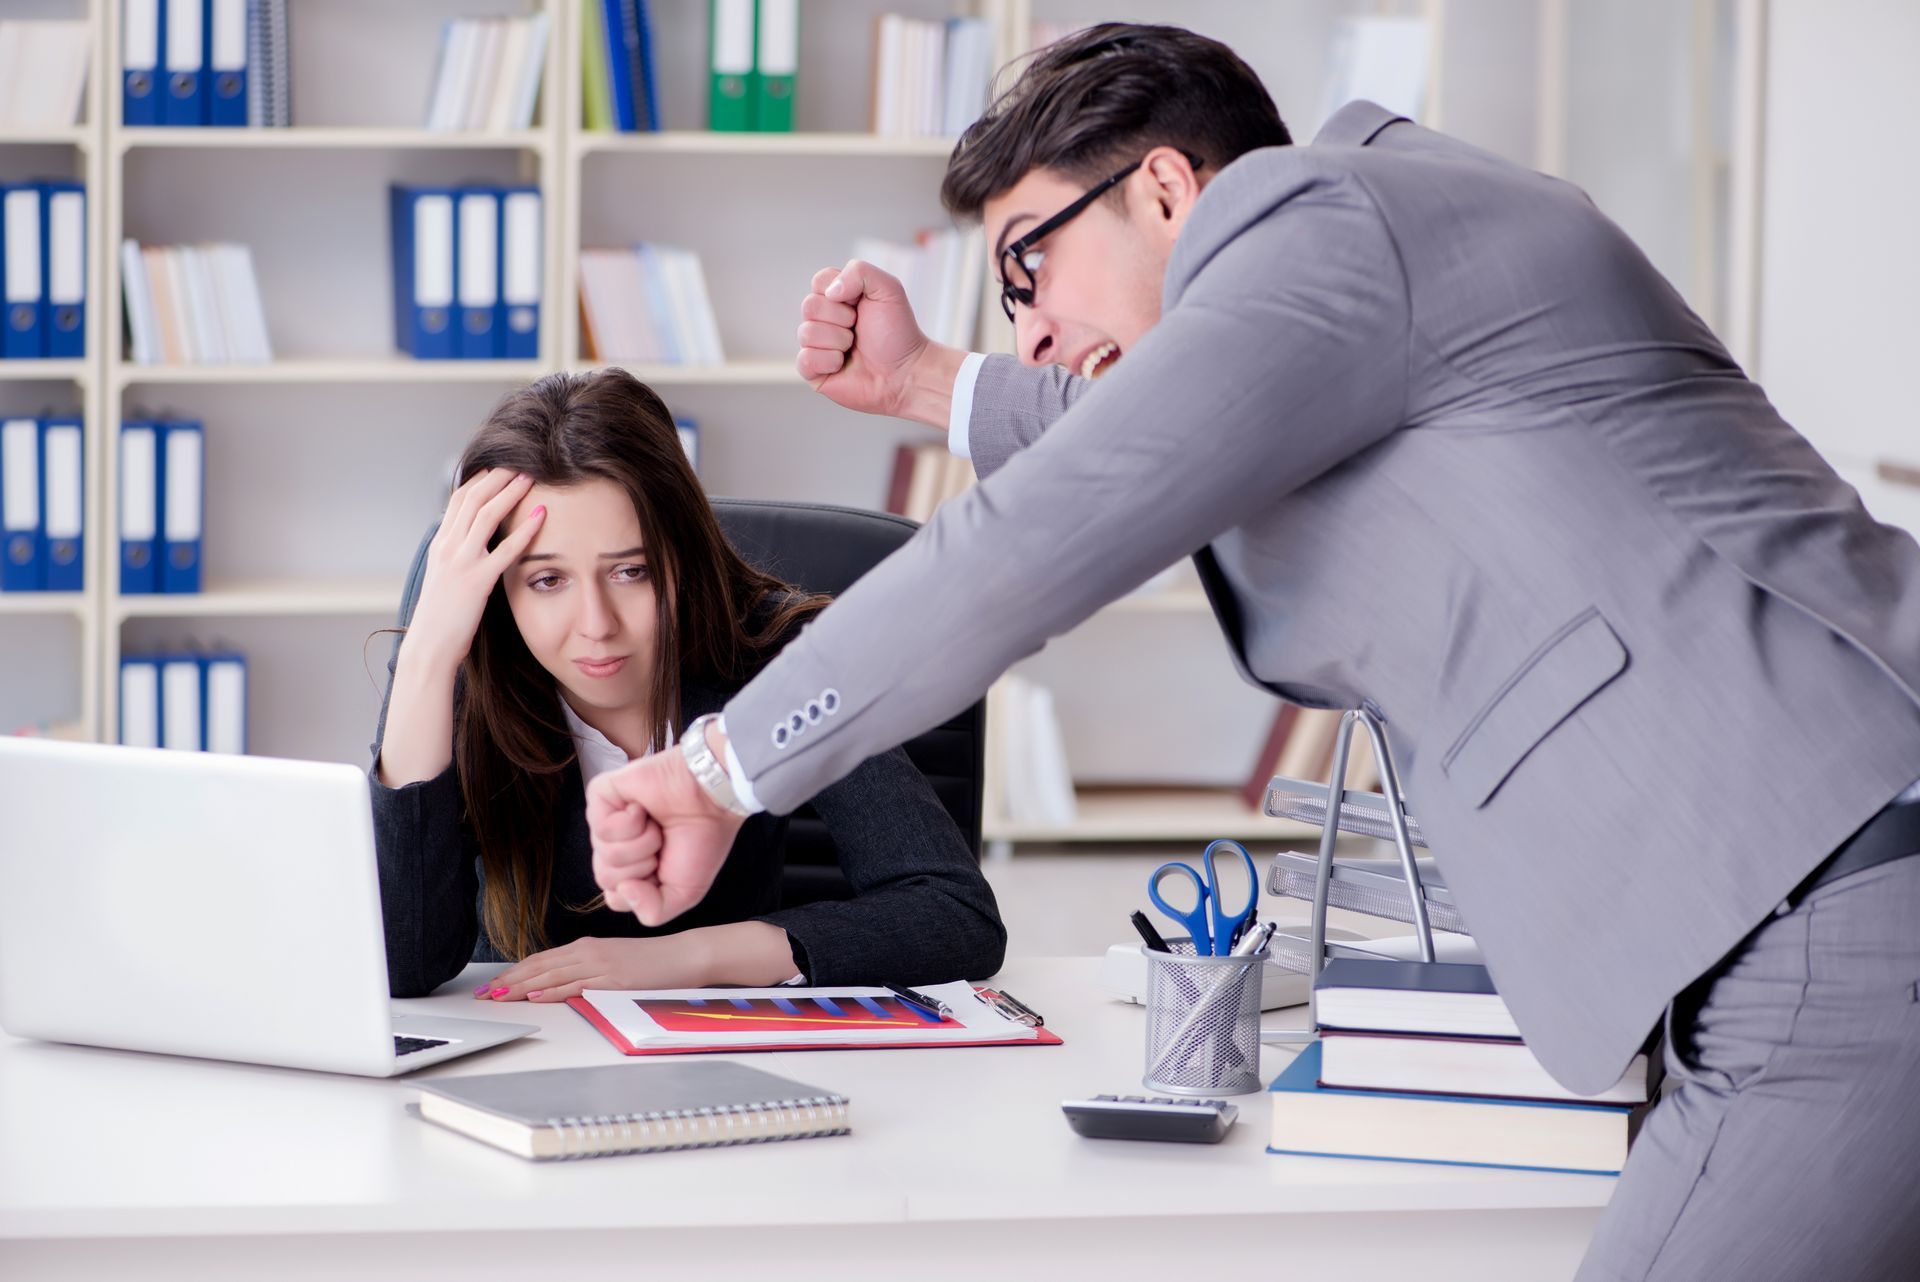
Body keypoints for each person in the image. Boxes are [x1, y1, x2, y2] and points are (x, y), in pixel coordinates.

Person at [580, 22, 1920, 1281]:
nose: (1026, 324)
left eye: (1029, 269)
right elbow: (1144, 423)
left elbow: (1050, 522)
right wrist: (930, 380)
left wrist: (716, 772)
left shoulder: (1319, 220)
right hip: (1820, 892)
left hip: (1834, 905)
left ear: (1168, 188)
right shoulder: (1374, 258)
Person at [367, 367, 1005, 1004]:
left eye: (631, 571)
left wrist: (691, 957)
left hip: (727, 1050)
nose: (597, 627)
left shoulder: (779, 654)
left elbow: (956, 917)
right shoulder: (462, 665)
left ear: (683, 557)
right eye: (547, 581)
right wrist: (425, 657)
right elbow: (402, 963)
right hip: (514, 1048)